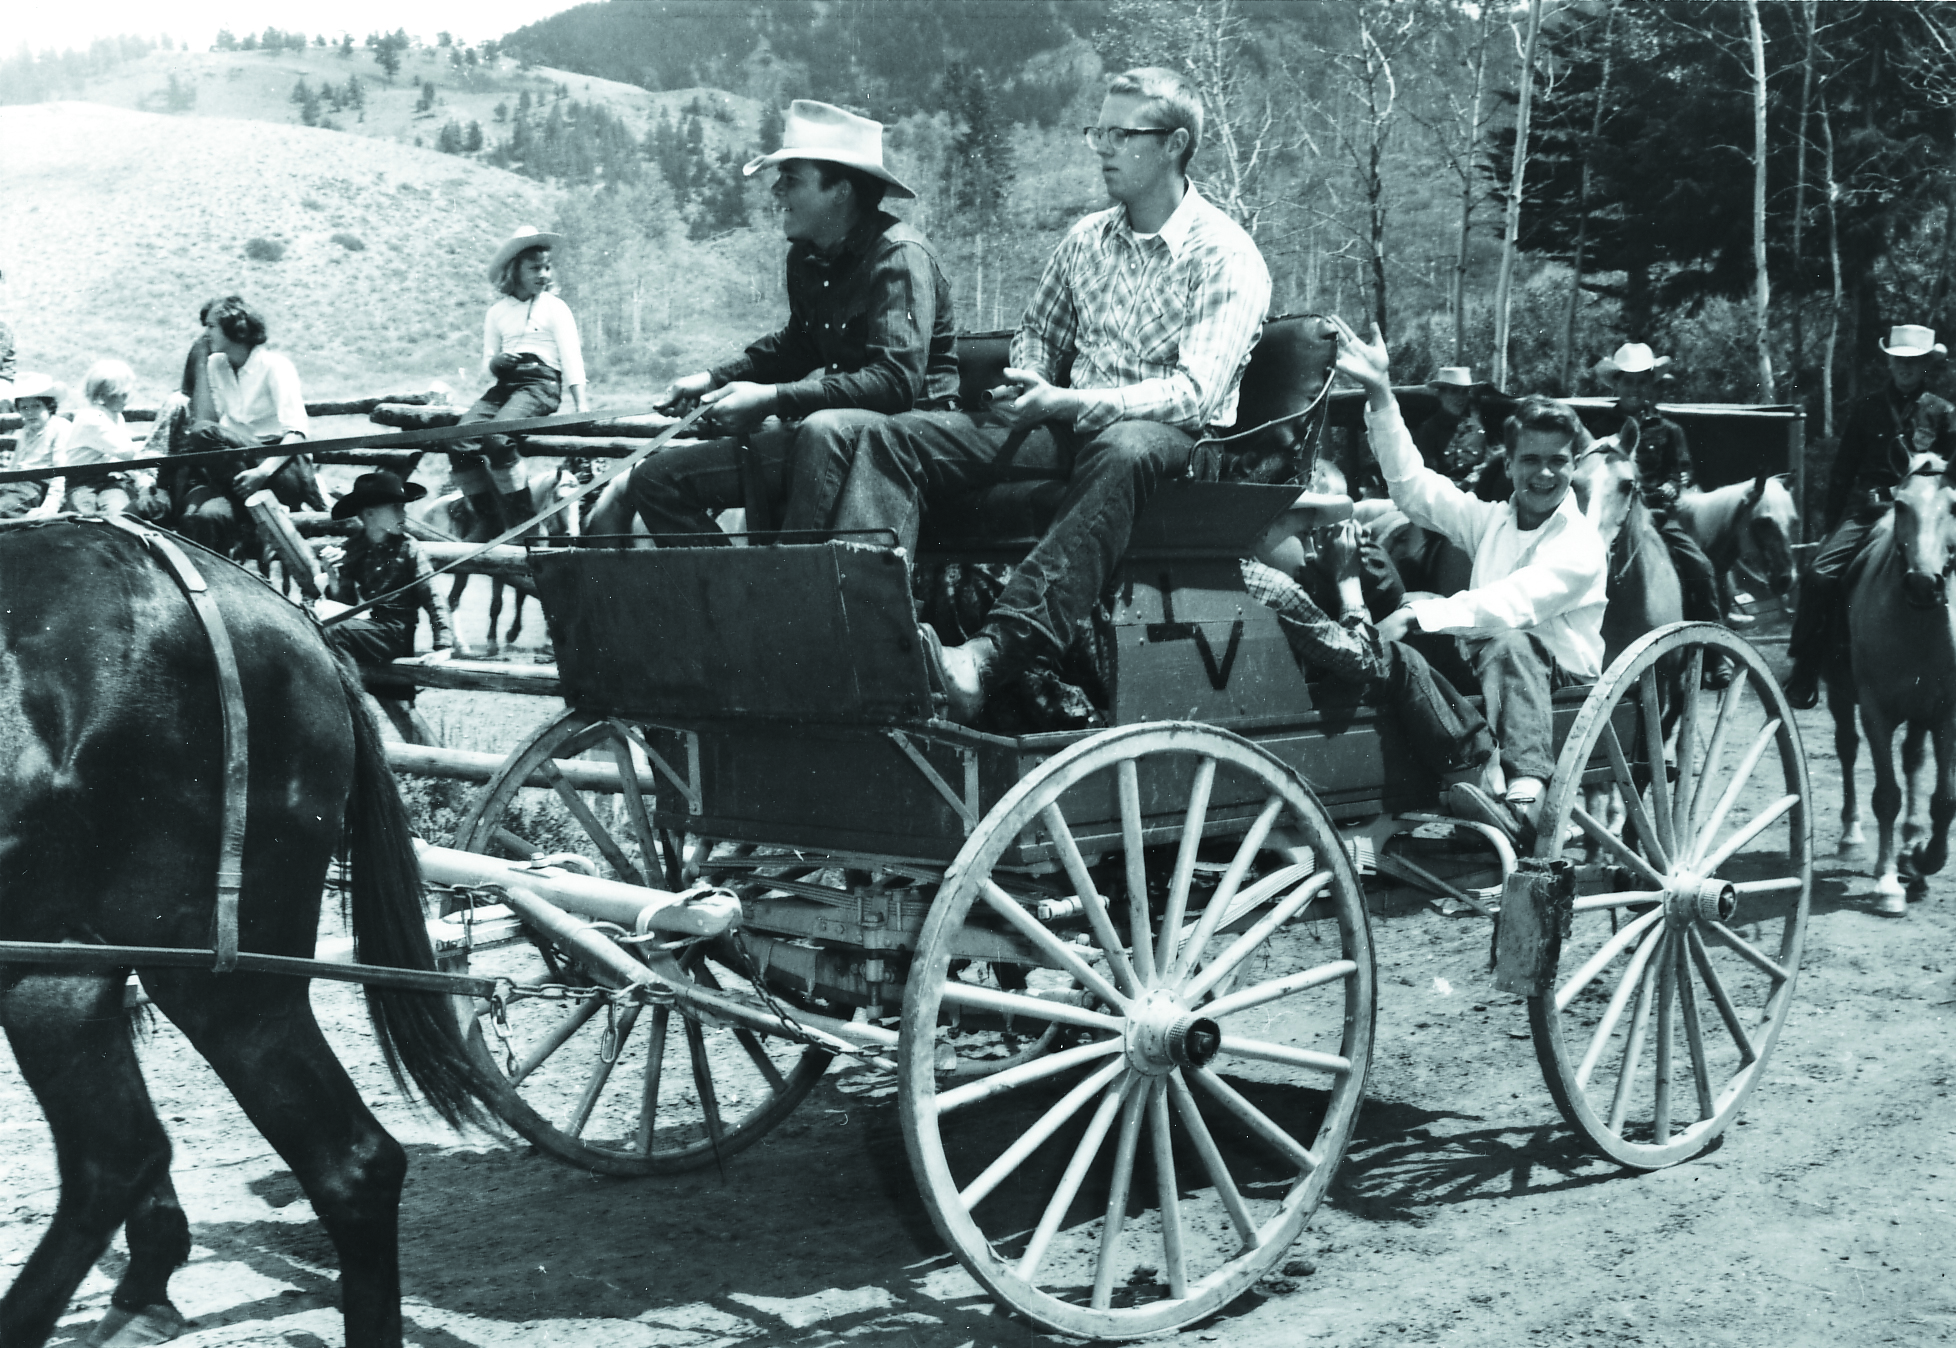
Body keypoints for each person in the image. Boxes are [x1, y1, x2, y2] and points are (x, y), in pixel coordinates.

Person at [837, 66, 1271, 723]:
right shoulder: (1085, 240)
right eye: (1098, 131)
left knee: (1123, 447)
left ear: (1174, 145)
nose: (1101, 148)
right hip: (1072, 426)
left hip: (1175, 447)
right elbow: (1038, 333)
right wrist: (1034, 380)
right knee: (891, 438)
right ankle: (863, 643)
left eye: (1121, 135)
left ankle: (989, 658)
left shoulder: (1225, 255)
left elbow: (1194, 396)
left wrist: (1070, 404)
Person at [606, 100, 957, 543]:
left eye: (790, 179)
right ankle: (738, 584)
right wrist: (711, 380)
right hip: (831, 436)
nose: (776, 191)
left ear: (841, 190)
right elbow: (798, 347)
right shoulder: (807, 258)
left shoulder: (899, 258)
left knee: (819, 432)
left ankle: (789, 578)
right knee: (655, 481)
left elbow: (895, 383)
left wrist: (770, 399)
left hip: (905, 440)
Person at [1334, 316, 1608, 832]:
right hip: (1489, 664)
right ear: (1509, 464)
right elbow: (1413, 488)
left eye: (1557, 461)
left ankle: (1526, 792)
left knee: (1507, 640)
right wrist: (1380, 393)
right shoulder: (1492, 521)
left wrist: (1419, 614)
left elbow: (1514, 602)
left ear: (1574, 466)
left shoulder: (1581, 544)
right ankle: (1452, 770)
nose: (1544, 473)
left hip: (1560, 682)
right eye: (1530, 460)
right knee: (1414, 630)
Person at [1244, 502, 1496, 797]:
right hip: (1286, 724)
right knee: (1399, 659)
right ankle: (1477, 780)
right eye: (1304, 535)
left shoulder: (1235, 573)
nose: (1310, 552)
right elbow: (1368, 661)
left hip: (1261, 708)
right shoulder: (1276, 587)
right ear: (1264, 530)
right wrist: (1348, 582)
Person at [1784, 324, 1956, 708]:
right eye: (1898, 360)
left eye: (1913, 361)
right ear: (1889, 363)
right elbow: (1843, 471)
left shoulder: (1943, 413)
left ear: (1926, 365)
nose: (1905, 367)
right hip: (1871, 510)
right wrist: (1831, 527)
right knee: (1818, 576)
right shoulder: (1867, 409)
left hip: (1928, 517)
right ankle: (1805, 666)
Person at [1597, 342, 1726, 681]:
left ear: (1651, 385)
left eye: (1642, 381)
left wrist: (1672, 485)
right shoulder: (1599, 426)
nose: (1635, 388)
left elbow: (1682, 470)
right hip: (1608, 516)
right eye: (1628, 381)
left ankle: (1714, 655)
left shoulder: (1669, 430)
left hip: (1656, 515)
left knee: (1701, 568)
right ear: (1616, 384)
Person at [449, 226, 588, 535]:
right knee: (459, 439)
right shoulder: (497, 312)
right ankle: (489, 519)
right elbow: (487, 363)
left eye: (547, 267)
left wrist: (581, 405)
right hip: (506, 385)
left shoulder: (555, 308)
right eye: (534, 268)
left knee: (497, 438)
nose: (544, 274)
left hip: (541, 384)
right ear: (515, 271)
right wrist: (496, 363)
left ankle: (525, 522)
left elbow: (571, 357)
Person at [170, 296, 324, 556]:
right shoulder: (217, 365)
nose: (206, 334)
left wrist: (262, 472)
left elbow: (297, 432)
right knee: (206, 516)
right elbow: (210, 421)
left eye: (211, 327)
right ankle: (247, 529)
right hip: (241, 473)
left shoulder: (275, 366)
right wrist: (201, 363)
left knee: (203, 432)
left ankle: (258, 520)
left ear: (235, 330)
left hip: (281, 467)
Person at [318, 471, 455, 667]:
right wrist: (333, 578)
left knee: (333, 631)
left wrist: (443, 646)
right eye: (396, 507)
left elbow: (433, 597)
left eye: (403, 507)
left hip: (397, 633)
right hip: (365, 628)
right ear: (369, 514)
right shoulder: (352, 548)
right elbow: (346, 605)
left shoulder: (409, 548)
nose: (404, 514)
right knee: (322, 628)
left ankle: (346, 686)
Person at [63, 359, 155, 516]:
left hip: (107, 478)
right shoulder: (91, 418)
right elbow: (126, 452)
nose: (126, 400)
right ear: (102, 396)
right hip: (81, 481)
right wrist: (143, 446)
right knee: (85, 513)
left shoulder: (115, 416)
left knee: (117, 509)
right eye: (121, 395)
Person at [0, 372, 68, 518]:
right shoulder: (25, 431)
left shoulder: (59, 428)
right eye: (24, 408)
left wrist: (49, 507)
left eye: (36, 406)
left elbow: (61, 472)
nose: (30, 412)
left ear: (50, 406)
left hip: (36, 486)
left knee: (4, 509)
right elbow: (14, 465)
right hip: (14, 483)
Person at [1414, 367, 1489, 483]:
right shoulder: (1428, 430)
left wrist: (1480, 473)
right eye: (1454, 391)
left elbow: (1486, 465)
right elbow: (1428, 476)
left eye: (1465, 392)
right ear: (1440, 394)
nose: (1460, 397)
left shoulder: (1477, 430)